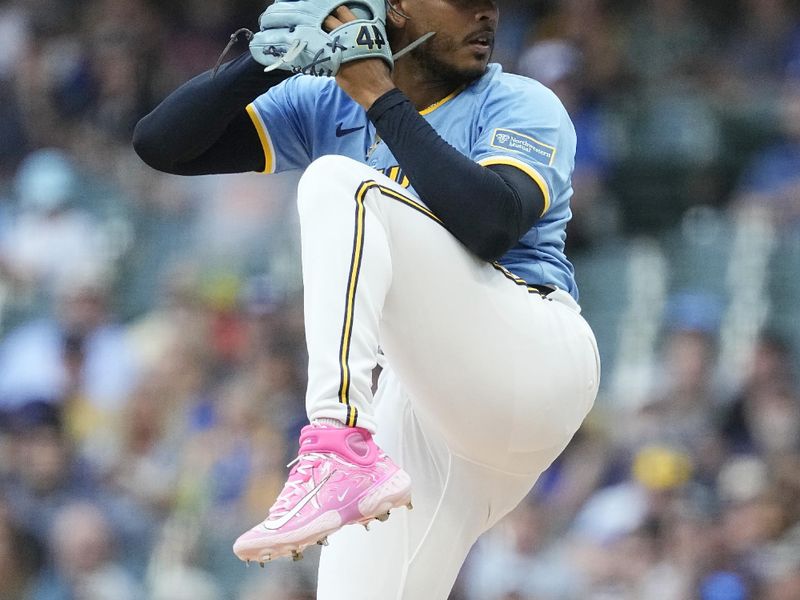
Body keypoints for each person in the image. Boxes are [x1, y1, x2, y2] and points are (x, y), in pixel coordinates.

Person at [133, 1, 600, 598]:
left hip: (530, 356)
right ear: (396, 8)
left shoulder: (520, 101)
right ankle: (349, 451)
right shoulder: (328, 103)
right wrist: (265, 60)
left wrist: (379, 95)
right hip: (426, 407)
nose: (484, 14)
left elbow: (491, 225)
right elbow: (162, 145)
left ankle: (337, 441)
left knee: (338, 182)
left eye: (491, 3)